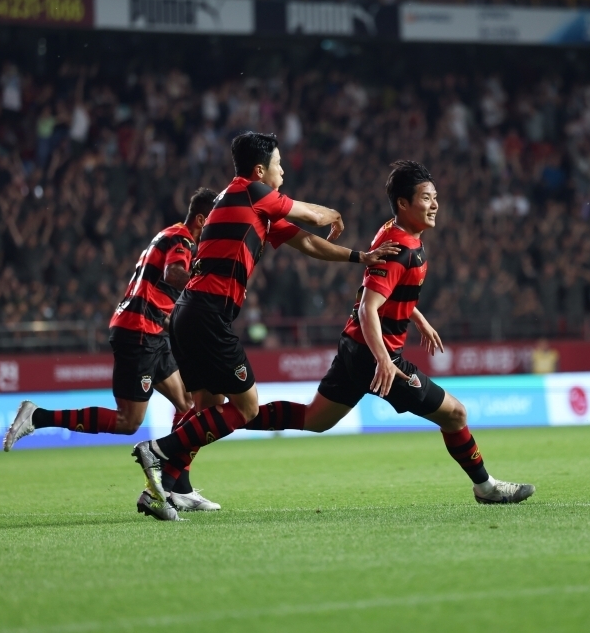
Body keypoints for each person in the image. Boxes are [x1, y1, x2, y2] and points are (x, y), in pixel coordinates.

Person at [137, 160, 535, 520]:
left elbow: (378, 293)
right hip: (373, 354)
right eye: (427, 198)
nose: (435, 205)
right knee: (456, 414)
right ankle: (485, 487)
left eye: (435, 198)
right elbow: (368, 309)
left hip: (355, 350)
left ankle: (220, 425)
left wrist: (417, 317)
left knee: (312, 419)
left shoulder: (395, 235)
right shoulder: (399, 249)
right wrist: (384, 360)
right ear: (402, 202)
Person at [131, 132, 399, 521]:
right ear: (260, 171)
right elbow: (312, 217)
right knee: (246, 407)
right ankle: (157, 452)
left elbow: (307, 243)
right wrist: (333, 214)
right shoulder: (252, 192)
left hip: (189, 312)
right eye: (278, 165)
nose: (283, 171)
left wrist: (361, 257)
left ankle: (164, 490)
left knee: (208, 405)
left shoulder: (248, 205)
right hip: (207, 313)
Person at [3, 188, 223, 514]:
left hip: (152, 331)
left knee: (189, 402)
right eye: (215, 226)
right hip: (138, 333)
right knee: (127, 422)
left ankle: (180, 488)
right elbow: (174, 273)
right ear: (202, 220)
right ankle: (37, 416)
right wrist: (203, 279)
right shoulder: (183, 241)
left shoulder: (168, 233)